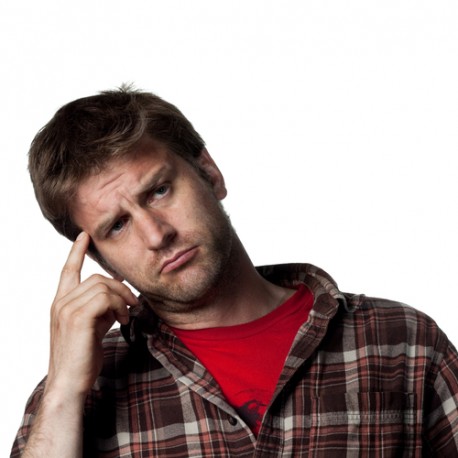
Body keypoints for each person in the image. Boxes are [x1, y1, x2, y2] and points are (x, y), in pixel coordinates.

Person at [11, 86, 458, 457]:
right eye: (117, 225)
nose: (156, 234)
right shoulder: (73, 396)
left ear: (210, 173)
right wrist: (64, 391)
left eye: (159, 190)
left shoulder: (403, 342)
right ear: (99, 259)